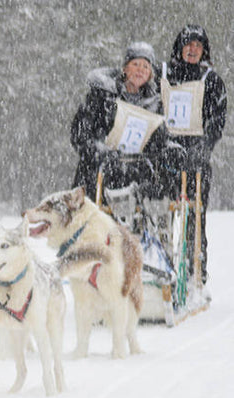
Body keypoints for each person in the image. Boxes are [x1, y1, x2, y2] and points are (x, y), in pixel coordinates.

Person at [70, 41, 184, 202]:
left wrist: (170, 149)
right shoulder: (102, 96)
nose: (140, 70)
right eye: (135, 64)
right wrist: (99, 152)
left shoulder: (155, 103)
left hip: (138, 173)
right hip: (101, 172)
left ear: (151, 73)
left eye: (145, 66)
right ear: (125, 68)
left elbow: (159, 139)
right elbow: (80, 134)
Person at [162, 24, 226, 284]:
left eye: (198, 46)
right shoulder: (164, 74)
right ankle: (162, 264)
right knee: (161, 211)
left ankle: (194, 271)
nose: (192, 49)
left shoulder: (211, 80)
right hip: (166, 155)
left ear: (204, 51)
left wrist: (203, 147)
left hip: (196, 158)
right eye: (188, 44)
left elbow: (217, 119)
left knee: (195, 216)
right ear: (180, 46)